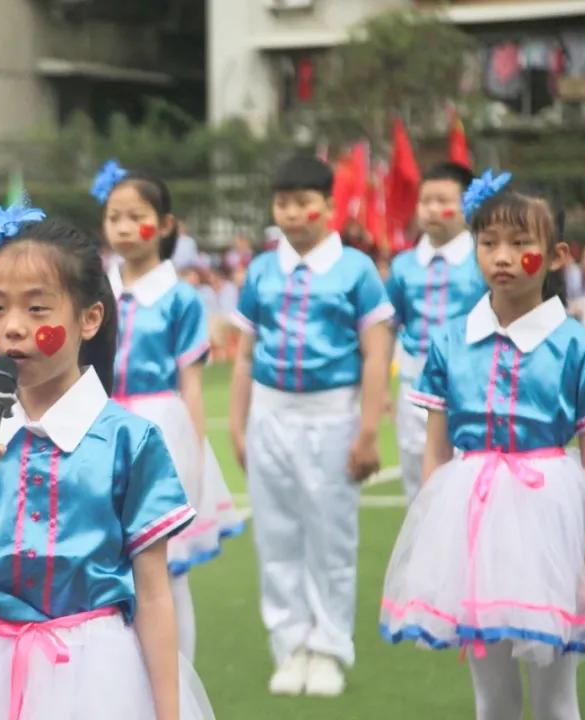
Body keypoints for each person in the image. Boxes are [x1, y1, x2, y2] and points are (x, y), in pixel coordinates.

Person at [0, 205, 215, 720]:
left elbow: (155, 596)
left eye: (37, 309)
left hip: (100, 675)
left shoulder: (129, 441)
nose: (13, 328)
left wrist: (169, 713)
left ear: (90, 318)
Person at [380, 176, 585, 720]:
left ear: (556, 255)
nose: (502, 257)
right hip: (471, 519)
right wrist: (434, 545)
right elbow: (435, 454)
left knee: (556, 699)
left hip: (551, 522)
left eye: (521, 244)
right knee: (493, 697)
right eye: (489, 242)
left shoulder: (577, 345)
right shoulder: (450, 341)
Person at [229, 155, 394, 697]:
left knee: (330, 537)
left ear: (328, 205)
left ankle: (328, 647)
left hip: (332, 415)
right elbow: (245, 354)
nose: (293, 214)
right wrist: (238, 425)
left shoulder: (356, 271)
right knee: (276, 536)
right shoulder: (261, 270)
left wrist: (367, 431)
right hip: (270, 414)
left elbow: (376, 354)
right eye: (283, 203)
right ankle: (290, 644)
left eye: (304, 203)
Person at [93, 160, 243, 660]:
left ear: (165, 224)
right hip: (100, 425)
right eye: (114, 217)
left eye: (135, 216)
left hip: (159, 428)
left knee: (165, 567)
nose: (122, 227)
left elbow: (191, 384)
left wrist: (194, 458)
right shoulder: (94, 293)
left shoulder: (181, 299)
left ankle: (176, 680)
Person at [386, 162, 486, 503]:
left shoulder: (482, 260)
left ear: (468, 206)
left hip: (472, 382)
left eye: (442, 200)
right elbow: (389, 326)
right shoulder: (403, 266)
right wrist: (383, 389)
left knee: (470, 479)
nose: (431, 208)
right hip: (414, 384)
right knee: (418, 481)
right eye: (425, 200)